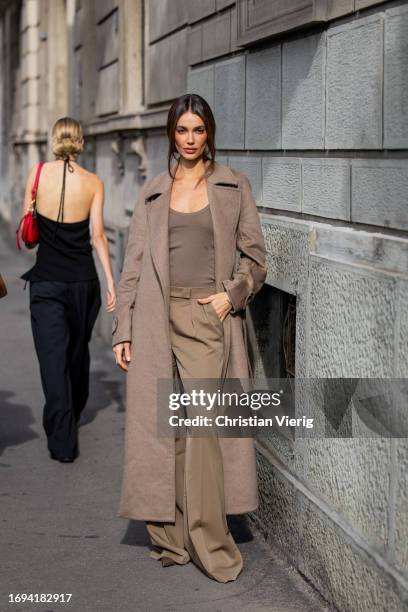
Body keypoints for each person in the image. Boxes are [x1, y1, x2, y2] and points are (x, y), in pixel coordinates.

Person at [112, 94, 267, 582]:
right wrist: (123, 328)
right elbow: (133, 265)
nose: (191, 139)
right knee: (168, 429)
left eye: (199, 130)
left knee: (202, 431)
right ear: (171, 134)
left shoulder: (232, 185)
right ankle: (171, 535)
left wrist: (231, 296)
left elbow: (256, 260)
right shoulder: (154, 191)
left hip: (207, 318)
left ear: (210, 133)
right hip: (157, 319)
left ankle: (210, 540)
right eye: (183, 130)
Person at [21, 117, 116, 463]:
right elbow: (99, 237)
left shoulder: (36, 174)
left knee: (52, 359)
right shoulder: (94, 182)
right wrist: (110, 281)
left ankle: (62, 437)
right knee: (76, 352)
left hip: (45, 281)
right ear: (81, 142)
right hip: (83, 283)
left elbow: (27, 229)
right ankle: (71, 413)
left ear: (53, 139)